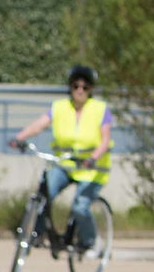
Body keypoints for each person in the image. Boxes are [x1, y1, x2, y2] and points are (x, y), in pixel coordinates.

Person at [11, 65, 112, 258]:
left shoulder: (100, 110)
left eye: (85, 87)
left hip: (92, 168)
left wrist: (93, 158)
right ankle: (37, 233)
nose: (80, 90)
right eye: (76, 86)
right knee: (43, 193)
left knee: (80, 206)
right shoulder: (59, 107)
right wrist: (20, 138)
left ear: (91, 89)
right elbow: (39, 124)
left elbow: (105, 140)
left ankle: (90, 241)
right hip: (65, 165)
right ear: (70, 87)